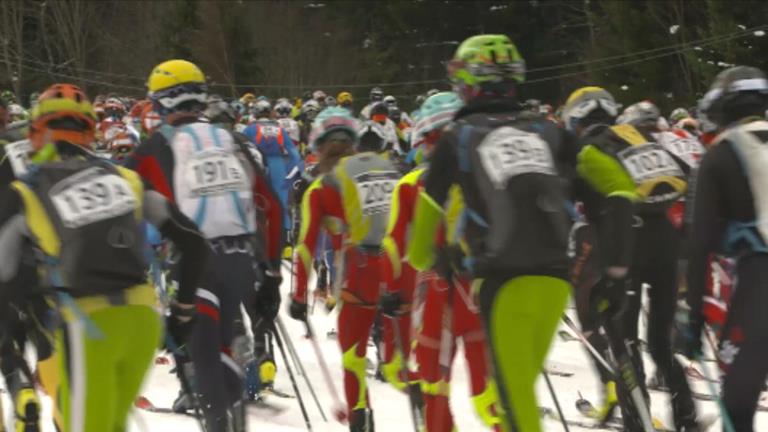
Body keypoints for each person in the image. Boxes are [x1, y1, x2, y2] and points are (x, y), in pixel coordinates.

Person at [0, 83, 210, 432]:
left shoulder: (26, 190)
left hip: (88, 323)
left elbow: (4, 272)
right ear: (92, 132)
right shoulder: (126, 177)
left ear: (37, 133)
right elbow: (194, 243)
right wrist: (183, 313)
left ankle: (22, 392)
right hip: (143, 320)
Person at [407, 34, 572, 432]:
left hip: (500, 280)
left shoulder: (457, 137)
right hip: (556, 280)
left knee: (516, 407)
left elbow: (418, 247)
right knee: (515, 395)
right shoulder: (549, 130)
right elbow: (599, 192)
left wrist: (438, 256)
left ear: (469, 81)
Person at [127, 59, 283, 431]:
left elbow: (122, 198)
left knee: (202, 357)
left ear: (160, 103)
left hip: (195, 263)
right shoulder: (234, 140)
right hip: (242, 259)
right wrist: (272, 272)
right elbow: (272, 206)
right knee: (218, 353)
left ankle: (221, 391)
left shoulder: (155, 146)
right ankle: (233, 358)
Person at [567, 87, 698, 431]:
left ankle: (636, 421)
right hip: (666, 240)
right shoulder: (635, 136)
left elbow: (570, 206)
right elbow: (689, 174)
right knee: (660, 341)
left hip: (624, 247)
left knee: (623, 341)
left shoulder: (585, 149)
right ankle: (686, 416)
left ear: (575, 121)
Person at [382, 91, 501, 431]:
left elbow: (394, 249)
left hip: (436, 291)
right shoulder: (488, 175)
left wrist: (393, 295)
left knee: (435, 387)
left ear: (424, 139)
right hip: (481, 286)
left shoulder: (409, 184)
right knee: (489, 392)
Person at [288, 107, 401, 432]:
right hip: (399, 271)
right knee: (410, 365)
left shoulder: (322, 188)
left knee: (353, 358)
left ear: (318, 145)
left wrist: (298, 296)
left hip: (357, 276)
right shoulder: (384, 169)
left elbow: (306, 246)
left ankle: (360, 416)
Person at [685, 66, 768, 432]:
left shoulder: (720, 153)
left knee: (738, 399)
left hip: (759, 280)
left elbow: (700, 242)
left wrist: (693, 316)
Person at [243, 99, 303, 241]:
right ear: (270, 112)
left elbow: (242, 147)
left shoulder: (250, 128)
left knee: (256, 200)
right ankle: (286, 237)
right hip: (278, 164)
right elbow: (293, 152)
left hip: (258, 164)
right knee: (281, 201)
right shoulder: (279, 128)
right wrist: (296, 170)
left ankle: (257, 234)